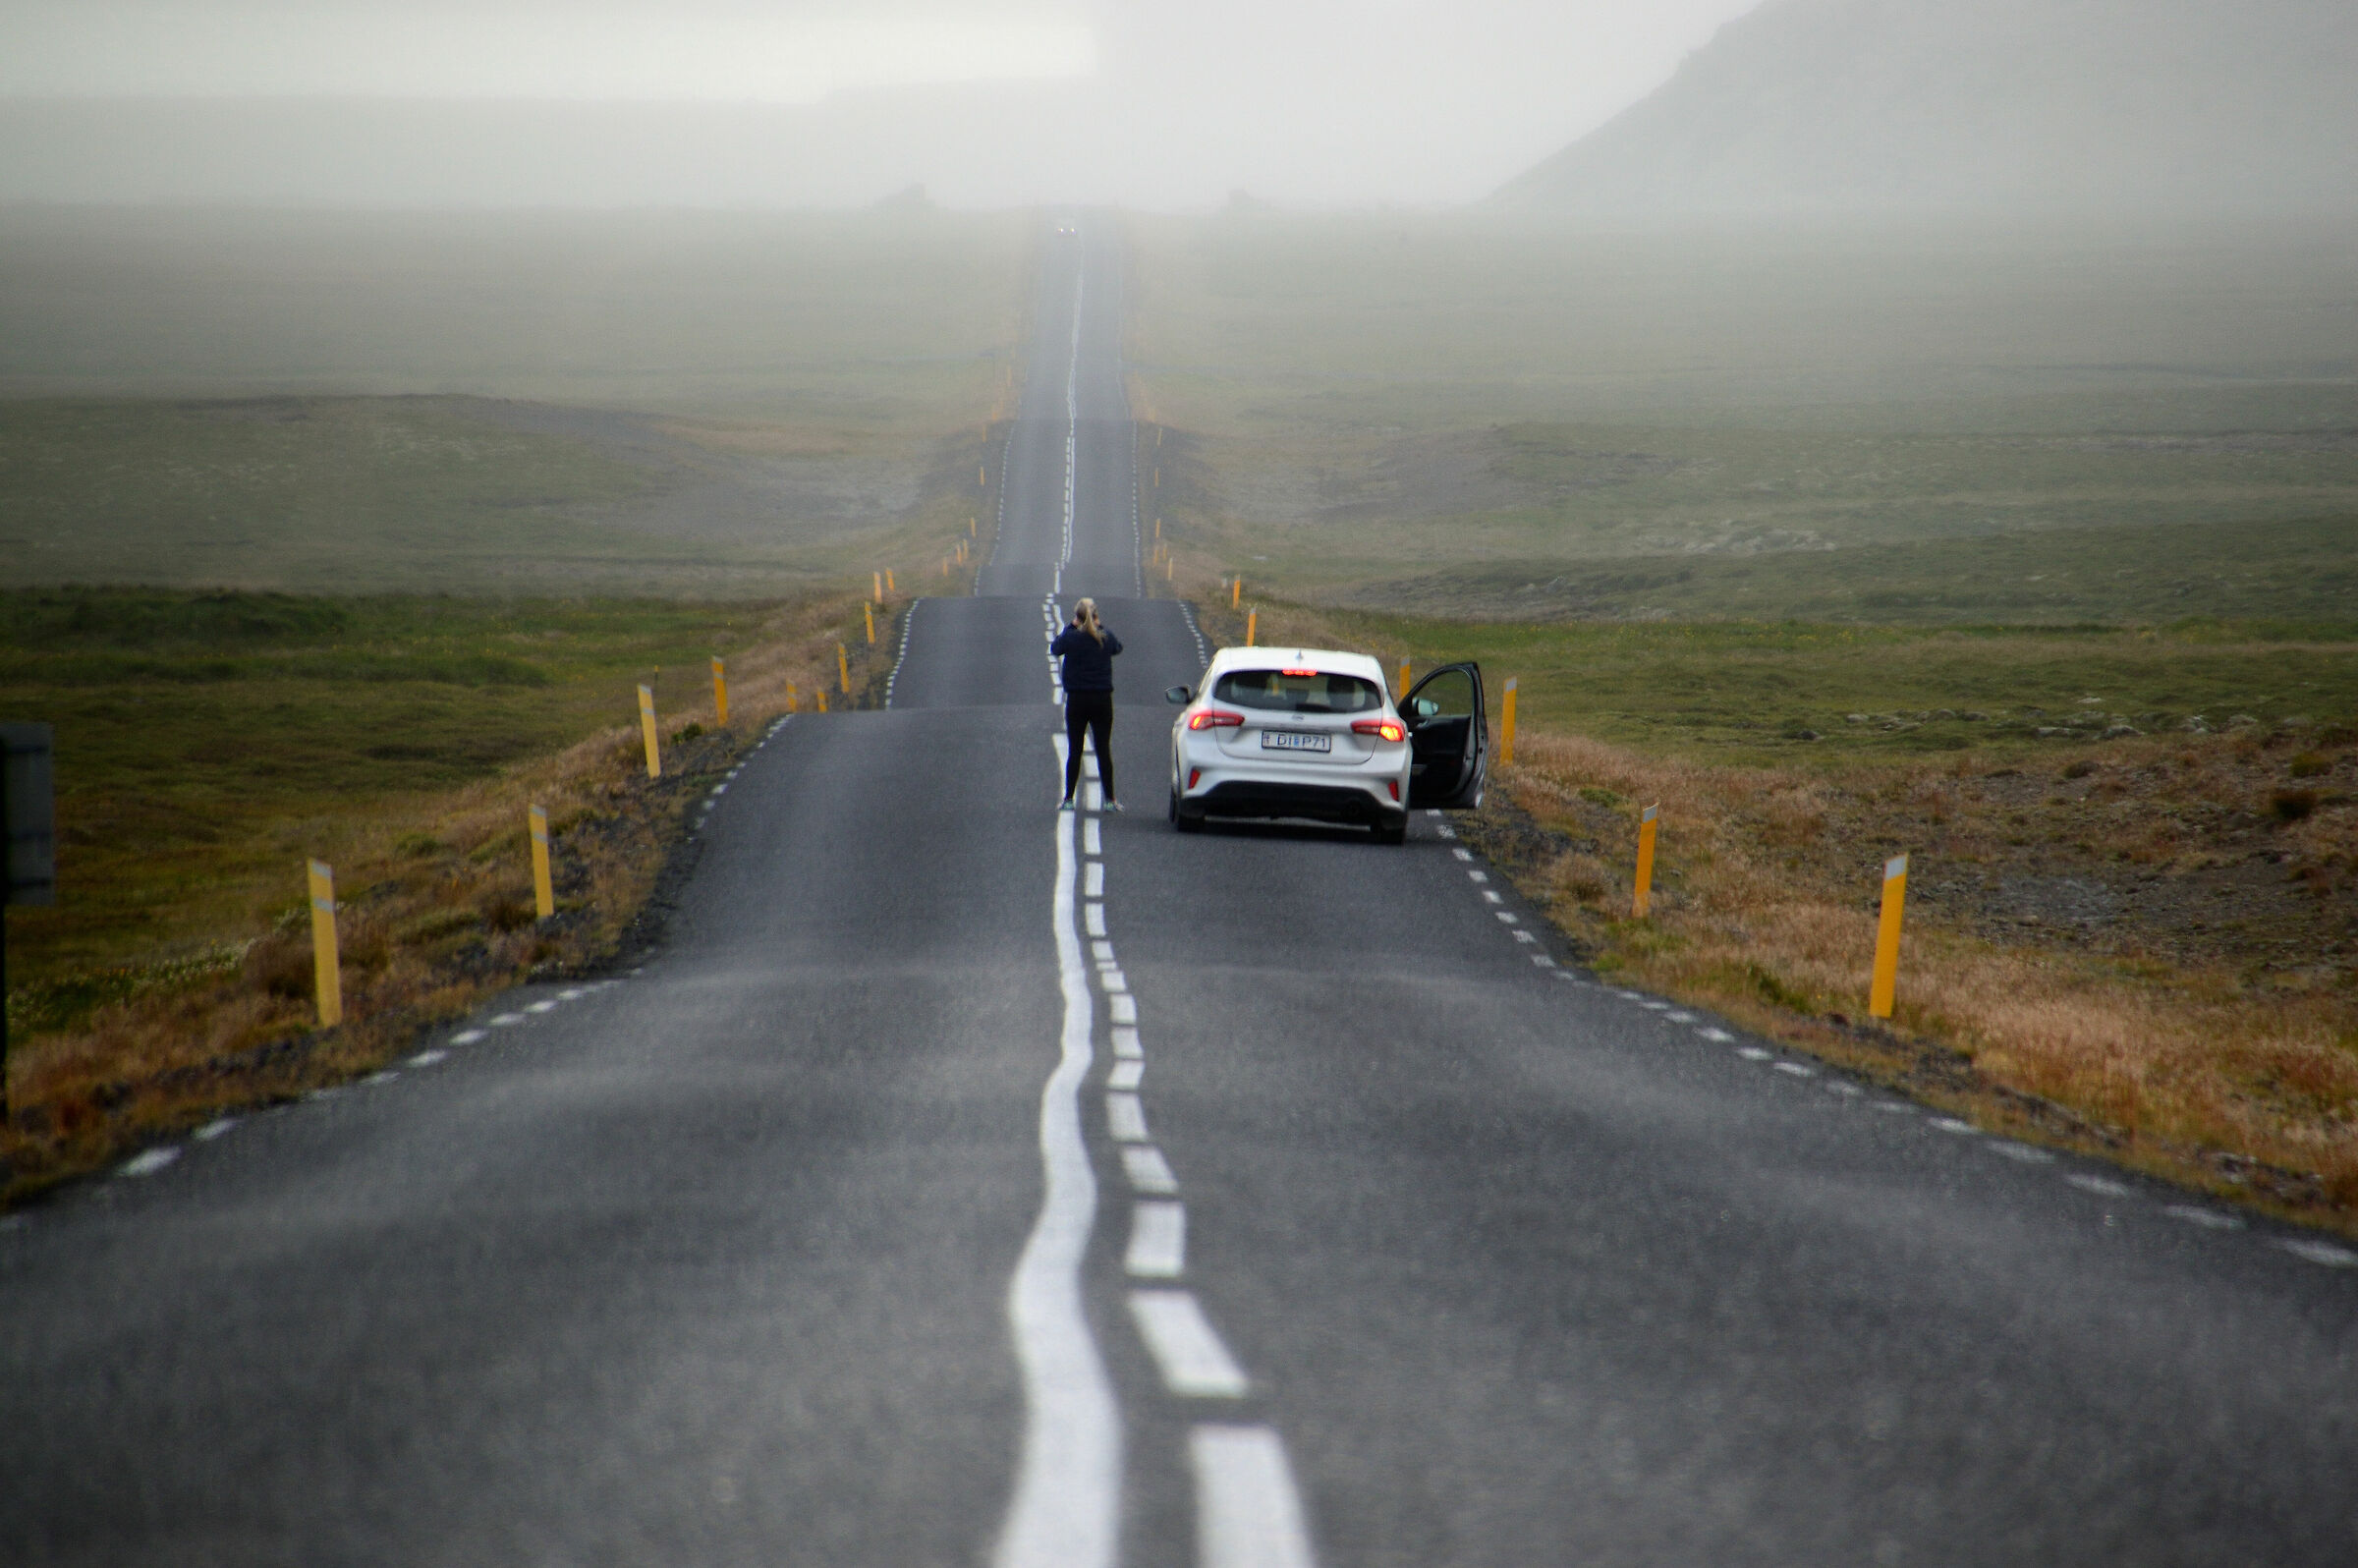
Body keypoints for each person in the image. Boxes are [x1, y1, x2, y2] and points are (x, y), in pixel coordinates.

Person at [1051, 597, 1123, 811]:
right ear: (1096, 615)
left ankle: (1068, 799)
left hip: (1077, 700)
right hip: (1102, 699)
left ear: (1077, 617)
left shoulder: (1071, 638)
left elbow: (1055, 648)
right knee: (1103, 749)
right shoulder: (1104, 636)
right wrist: (1099, 626)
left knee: (1075, 750)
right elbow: (1117, 647)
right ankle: (1110, 800)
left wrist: (1070, 626)